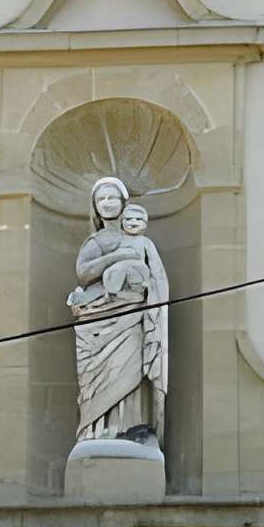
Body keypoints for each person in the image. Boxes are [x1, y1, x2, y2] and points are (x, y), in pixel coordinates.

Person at [69, 177, 168, 446]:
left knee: (130, 368)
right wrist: (117, 257)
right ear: (95, 206)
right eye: (101, 199)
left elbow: (158, 278)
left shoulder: (141, 241)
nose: (107, 203)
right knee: (99, 376)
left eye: (112, 197)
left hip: (132, 315)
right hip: (98, 318)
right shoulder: (95, 241)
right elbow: (83, 272)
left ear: (124, 203)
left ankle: (130, 426)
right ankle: (97, 430)